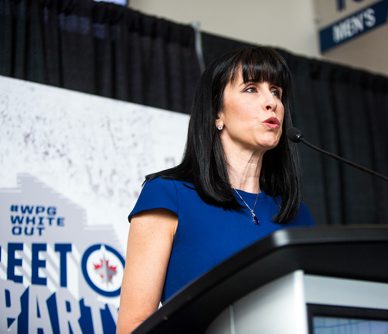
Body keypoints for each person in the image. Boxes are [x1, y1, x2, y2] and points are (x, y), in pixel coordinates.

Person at [116, 46, 314, 333]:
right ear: (216, 114)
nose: (271, 102)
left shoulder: (298, 215)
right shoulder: (168, 195)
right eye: (251, 89)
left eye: (276, 91)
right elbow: (133, 327)